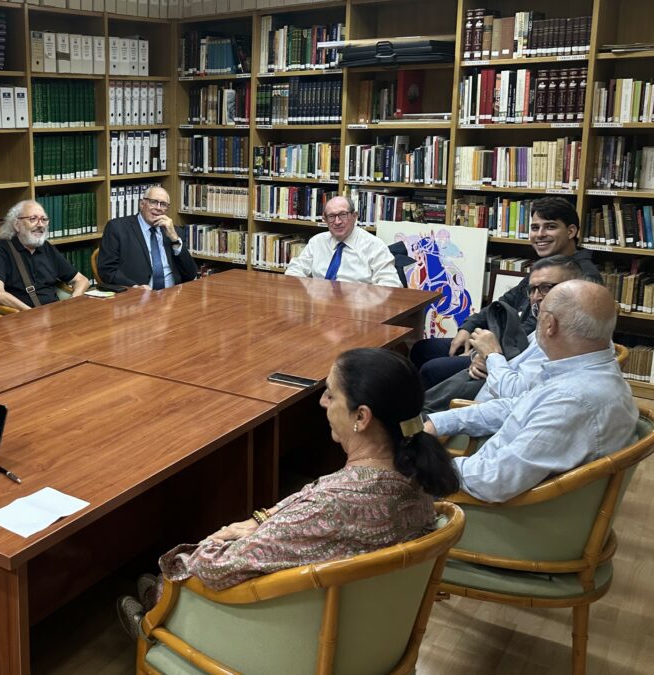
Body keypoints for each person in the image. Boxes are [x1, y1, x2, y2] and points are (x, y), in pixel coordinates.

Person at [117, 348, 460, 637]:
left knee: (176, 576)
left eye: (331, 393)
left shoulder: (332, 507)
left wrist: (208, 545)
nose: (323, 402)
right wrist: (261, 521)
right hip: (369, 635)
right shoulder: (414, 475)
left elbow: (217, 568)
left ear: (362, 416)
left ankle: (154, 618)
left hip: (291, 640)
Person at [425, 280, 637, 503]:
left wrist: (425, 466)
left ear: (550, 325)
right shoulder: (589, 373)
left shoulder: (570, 400)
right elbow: (517, 405)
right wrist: (438, 423)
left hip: (489, 515)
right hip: (509, 492)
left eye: (538, 312)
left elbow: (493, 479)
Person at [411, 197, 600, 388]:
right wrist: (468, 327)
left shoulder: (582, 279)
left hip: (521, 362)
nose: (540, 234)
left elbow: (538, 335)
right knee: (423, 348)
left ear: (571, 231)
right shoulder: (548, 265)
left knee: (432, 369)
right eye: (535, 228)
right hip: (504, 345)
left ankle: (426, 415)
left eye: (550, 227)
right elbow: (504, 303)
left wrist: (486, 351)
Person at [420, 256, 587, 412]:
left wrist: (492, 354)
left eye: (545, 288)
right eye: (532, 290)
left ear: (575, 288)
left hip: (484, 417)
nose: (536, 297)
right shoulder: (546, 327)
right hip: (482, 405)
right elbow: (515, 361)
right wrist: (482, 358)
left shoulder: (563, 341)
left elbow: (513, 395)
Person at [0, 200, 90, 310]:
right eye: (33, 219)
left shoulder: (46, 247)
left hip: (55, 314)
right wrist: (30, 313)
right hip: (22, 318)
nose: (40, 224)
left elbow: (82, 280)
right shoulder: (1, 250)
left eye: (44, 219)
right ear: (17, 225)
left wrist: (72, 301)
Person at [283, 196, 402, 287]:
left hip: (358, 310)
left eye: (343, 215)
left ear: (354, 216)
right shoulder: (317, 242)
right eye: (331, 216)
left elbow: (391, 285)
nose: (337, 221)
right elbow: (294, 270)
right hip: (318, 306)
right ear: (325, 219)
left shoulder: (374, 246)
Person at [97, 185, 197, 288]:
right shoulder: (117, 228)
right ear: (142, 204)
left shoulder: (174, 231)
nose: (158, 208)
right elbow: (107, 270)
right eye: (153, 202)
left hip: (171, 296)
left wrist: (175, 239)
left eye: (163, 204)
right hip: (136, 297)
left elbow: (190, 274)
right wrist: (134, 287)